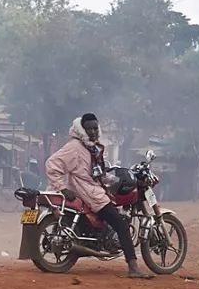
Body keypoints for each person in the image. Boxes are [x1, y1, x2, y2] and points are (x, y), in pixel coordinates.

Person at [45, 113, 151, 278]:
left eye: (95, 128)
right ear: (82, 130)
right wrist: (62, 188)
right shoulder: (75, 147)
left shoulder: (92, 147)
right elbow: (52, 163)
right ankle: (133, 267)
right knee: (121, 224)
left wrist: (112, 178)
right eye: (89, 129)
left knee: (114, 216)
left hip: (94, 188)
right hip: (88, 191)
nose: (93, 132)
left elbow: (98, 173)